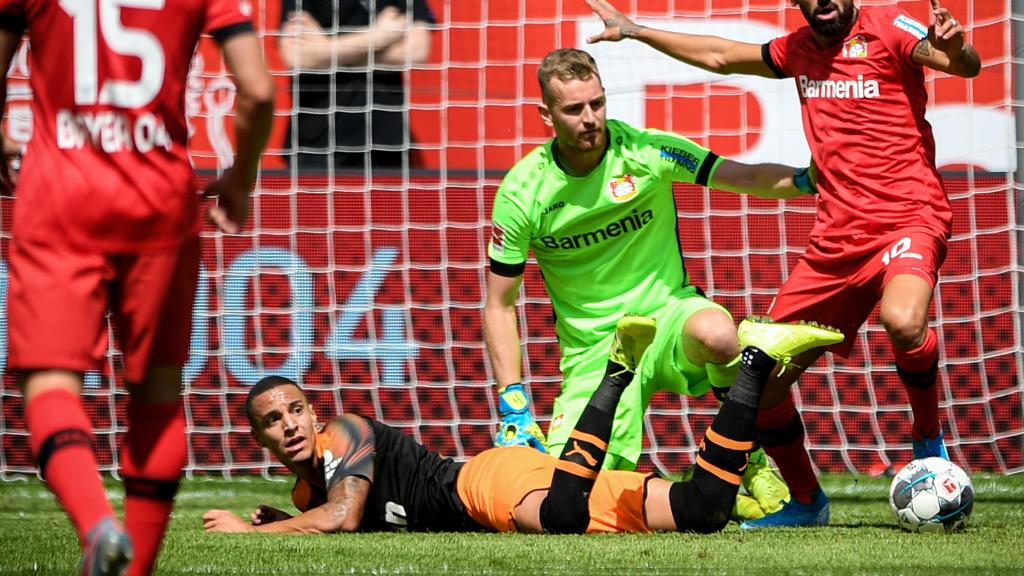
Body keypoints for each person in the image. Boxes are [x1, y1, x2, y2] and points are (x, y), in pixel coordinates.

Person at [584, 0, 981, 529]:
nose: (824, 3)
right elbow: (721, 56)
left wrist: (955, 47)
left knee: (904, 320)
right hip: (835, 241)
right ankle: (806, 502)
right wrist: (636, 31)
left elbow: (962, 63)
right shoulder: (795, 49)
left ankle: (928, 443)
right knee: (759, 372)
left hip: (907, 217)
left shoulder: (889, 26)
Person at [484, 47, 819, 521]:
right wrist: (513, 404)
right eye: (574, 109)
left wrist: (806, 180)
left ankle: (749, 462)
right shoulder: (521, 193)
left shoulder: (647, 151)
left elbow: (738, 175)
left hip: (668, 320)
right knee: (566, 494)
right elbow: (499, 304)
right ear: (546, 114)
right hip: (596, 351)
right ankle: (689, 490)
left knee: (719, 333)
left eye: (596, 104)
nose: (589, 118)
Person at [0, 0, 275, 572]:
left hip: (60, 195)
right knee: (157, 399)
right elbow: (258, 90)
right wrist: (241, 178)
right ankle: (136, 565)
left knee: (50, 386)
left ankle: (97, 525)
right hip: (161, 203)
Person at [203, 319, 843, 535]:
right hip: (528, 477)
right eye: (271, 422)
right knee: (704, 510)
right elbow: (320, 509)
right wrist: (277, 516)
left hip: (482, 487)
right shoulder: (301, 492)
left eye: (293, 411)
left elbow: (342, 518)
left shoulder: (341, 431)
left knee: (561, 521)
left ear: (314, 412)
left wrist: (245, 531)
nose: (288, 426)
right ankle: (756, 360)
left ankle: (617, 370)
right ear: (258, 439)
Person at [279, 0, 434, 171]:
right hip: (316, 138)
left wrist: (325, 49)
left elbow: (417, 51)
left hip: (386, 139)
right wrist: (379, 37)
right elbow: (296, 56)